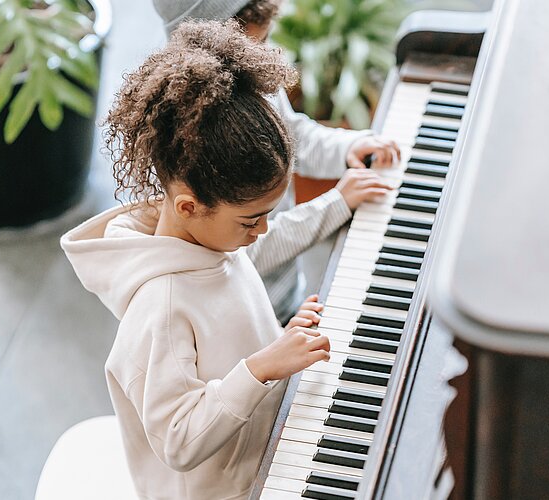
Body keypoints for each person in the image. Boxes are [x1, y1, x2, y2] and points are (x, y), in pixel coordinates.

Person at [61, 20, 389, 500]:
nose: (262, 231)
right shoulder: (160, 308)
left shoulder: (212, 241)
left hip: (264, 453)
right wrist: (263, 367)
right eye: (251, 220)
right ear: (189, 206)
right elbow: (178, 440)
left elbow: (227, 348)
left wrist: (280, 339)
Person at [153, 0, 402, 323]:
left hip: (287, 292)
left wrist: (346, 147)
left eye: (265, 40)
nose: (262, 55)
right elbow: (243, 251)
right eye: (250, 46)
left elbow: (292, 134)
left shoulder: (251, 73)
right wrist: (336, 204)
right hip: (245, 317)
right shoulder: (188, 137)